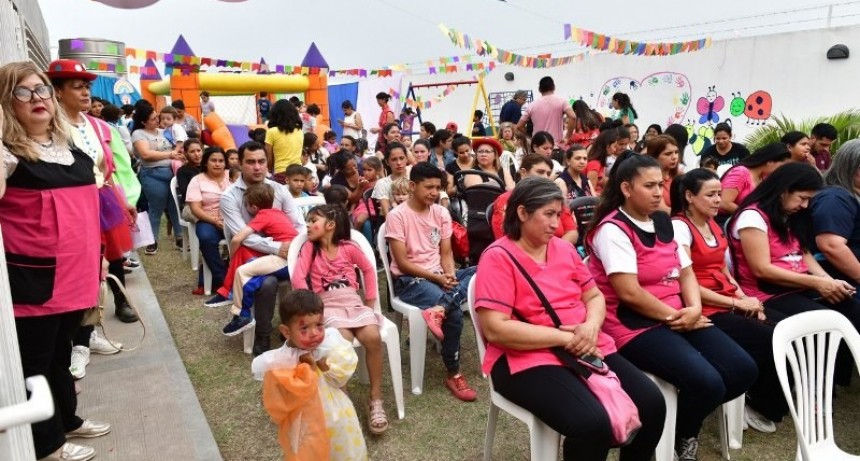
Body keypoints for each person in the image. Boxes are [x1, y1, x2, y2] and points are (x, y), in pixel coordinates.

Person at [476, 176, 665, 461]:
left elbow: (594, 297)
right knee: (590, 424)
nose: (557, 224)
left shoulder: (563, 249)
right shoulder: (498, 257)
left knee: (652, 404)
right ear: (523, 212)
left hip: (586, 344)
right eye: (549, 214)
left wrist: (590, 326)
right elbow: (496, 330)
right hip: (525, 358)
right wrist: (567, 337)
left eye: (560, 215)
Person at [586, 154, 757, 460]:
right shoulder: (613, 230)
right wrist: (676, 315)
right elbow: (630, 293)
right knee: (707, 382)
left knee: (742, 370)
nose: (657, 191)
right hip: (632, 324)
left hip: (679, 314)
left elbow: (686, 272)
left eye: (660, 184)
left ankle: (680, 428)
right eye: (649, 185)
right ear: (626, 188)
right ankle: (682, 436)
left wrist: (693, 308)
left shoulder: (664, 222)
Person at [0, 60, 110, 461]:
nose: (38, 98)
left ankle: (68, 420)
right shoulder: (8, 154)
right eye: (23, 92)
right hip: (36, 279)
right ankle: (48, 444)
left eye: (42, 89)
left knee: (63, 352)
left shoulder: (67, 143)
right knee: (37, 360)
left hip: (76, 274)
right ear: (6, 102)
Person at [671, 169, 789, 433]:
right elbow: (686, 282)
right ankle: (756, 402)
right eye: (711, 195)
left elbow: (723, 270)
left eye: (719, 194)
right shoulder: (680, 228)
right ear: (689, 196)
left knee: (784, 328)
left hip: (726, 299)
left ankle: (758, 397)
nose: (717, 200)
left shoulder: (712, 224)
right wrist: (737, 305)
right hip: (706, 306)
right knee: (768, 339)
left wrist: (746, 298)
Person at [729, 161, 860, 386]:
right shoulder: (753, 217)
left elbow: (803, 253)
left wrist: (828, 280)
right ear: (783, 190)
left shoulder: (788, 215)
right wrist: (817, 283)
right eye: (802, 198)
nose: (806, 205)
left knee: (851, 307)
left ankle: (830, 383)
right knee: (826, 322)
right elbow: (762, 269)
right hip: (767, 292)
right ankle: (808, 388)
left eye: (810, 199)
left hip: (796, 286)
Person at [290, 204, 389, 434]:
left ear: (331, 225)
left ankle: (375, 399)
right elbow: (297, 278)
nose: (307, 225)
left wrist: (371, 301)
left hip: (353, 303)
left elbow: (368, 269)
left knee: (372, 336)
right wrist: (312, 307)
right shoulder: (309, 249)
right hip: (326, 306)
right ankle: (342, 399)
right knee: (339, 343)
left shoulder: (349, 247)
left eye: (313, 220)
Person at [386, 163, 478, 401]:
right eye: (429, 187)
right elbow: (403, 263)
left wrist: (449, 276)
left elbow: (446, 254)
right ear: (412, 186)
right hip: (411, 280)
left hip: (439, 273)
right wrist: (438, 278)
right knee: (455, 314)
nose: (434, 193)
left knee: (485, 269)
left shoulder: (441, 212)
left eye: (438, 187)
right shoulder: (397, 216)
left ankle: (440, 307)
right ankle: (453, 372)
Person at [206, 142, 306, 356]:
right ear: (240, 164)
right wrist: (278, 247)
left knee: (306, 271)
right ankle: (262, 333)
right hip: (250, 254)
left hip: (284, 255)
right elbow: (244, 237)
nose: (257, 167)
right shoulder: (230, 197)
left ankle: (294, 327)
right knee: (267, 283)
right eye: (250, 162)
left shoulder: (279, 190)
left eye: (261, 161)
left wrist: (295, 247)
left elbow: (298, 225)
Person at [251, 289, 368, 460]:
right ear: (286, 331)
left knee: (343, 450)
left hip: (337, 415)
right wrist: (307, 369)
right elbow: (280, 403)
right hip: (306, 425)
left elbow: (340, 378)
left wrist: (322, 363)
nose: (314, 333)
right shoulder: (282, 361)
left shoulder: (329, 343)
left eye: (319, 325)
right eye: (304, 328)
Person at [223, 182, 300, 335]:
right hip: (297, 256)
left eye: (246, 206)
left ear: (254, 207)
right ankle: (246, 306)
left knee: (241, 271)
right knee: (255, 273)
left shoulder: (262, 215)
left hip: (287, 259)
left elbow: (237, 239)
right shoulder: (278, 212)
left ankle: (242, 315)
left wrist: (231, 259)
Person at [131, 103, 184, 255]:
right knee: (156, 208)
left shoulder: (164, 132)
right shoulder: (139, 134)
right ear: (143, 121)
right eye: (154, 118)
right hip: (153, 174)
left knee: (174, 206)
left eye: (157, 117)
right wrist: (170, 154)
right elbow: (146, 155)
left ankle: (180, 237)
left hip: (171, 173)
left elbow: (177, 144)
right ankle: (152, 240)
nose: (158, 120)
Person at [492, 153, 578, 244]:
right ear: (523, 173)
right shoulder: (506, 199)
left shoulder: (554, 199)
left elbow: (572, 232)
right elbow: (503, 238)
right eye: (540, 172)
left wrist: (553, 251)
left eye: (548, 173)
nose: (545, 177)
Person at [812, 140, 860, 289]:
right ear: (853, 168)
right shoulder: (835, 198)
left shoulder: (851, 192)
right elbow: (831, 245)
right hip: (843, 280)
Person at [186, 146, 230, 294]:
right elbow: (195, 208)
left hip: (232, 218)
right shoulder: (197, 180)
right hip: (208, 219)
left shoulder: (233, 176)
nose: (217, 164)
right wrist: (214, 220)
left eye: (221, 161)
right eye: (213, 160)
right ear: (206, 162)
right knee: (206, 238)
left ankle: (239, 274)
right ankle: (223, 279)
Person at [719, 142, 791, 219]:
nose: (781, 170)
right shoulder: (740, 173)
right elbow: (724, 203)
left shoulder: (764, 177)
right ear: (770, 162)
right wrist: (752, 217)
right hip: (725, 220)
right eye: (781, 166)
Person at [516, 77, 576, 147]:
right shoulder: (562, 102)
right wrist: (567, 137)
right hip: (556, 145)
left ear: (539, 89)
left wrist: (531, 137)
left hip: (539, 145)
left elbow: (519, 126)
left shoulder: (532, 105)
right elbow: (573, 117)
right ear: (554, 87)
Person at [265, 99, 304, 183]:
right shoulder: (299, 131)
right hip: (299, 171)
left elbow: (269, 158)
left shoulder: (272, 132)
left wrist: (269, 170)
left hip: (281, 172)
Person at [372, 142, 410, 216]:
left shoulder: (414, 177)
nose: (399, 163)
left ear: (406, 159)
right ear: (387, 162)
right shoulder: (382, 183)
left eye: (401, 158)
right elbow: (387, 215)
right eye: (394, 159)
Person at [645, 135, 681, 213]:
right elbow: (664, 210)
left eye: (676, 152)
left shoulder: (680, 176)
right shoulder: (649, 181)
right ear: (654, 156)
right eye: (668, 154)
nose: (674, 157)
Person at [585, 128, 621, 194]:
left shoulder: (600, 163)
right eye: (614, 146)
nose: (615, 150)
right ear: (607, 146)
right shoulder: (594, 164)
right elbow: (590, 192)